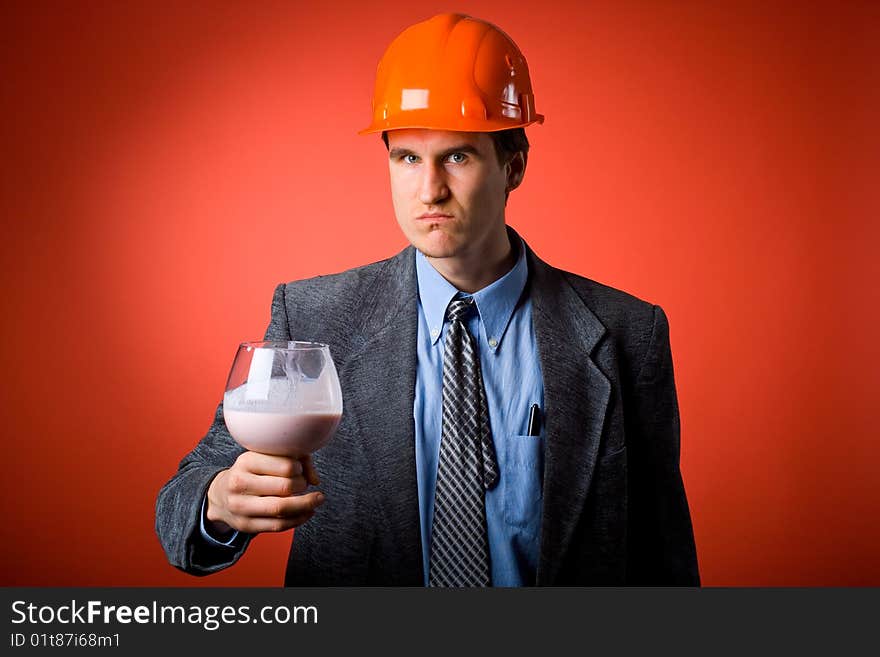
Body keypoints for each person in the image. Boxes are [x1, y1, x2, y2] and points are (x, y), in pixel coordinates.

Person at [155, 13, 700, 586]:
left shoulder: (626, 333)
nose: (429, 189)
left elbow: (663, 551)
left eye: (458, 156)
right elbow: (183, 505)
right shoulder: (317, 319)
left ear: (514, 165)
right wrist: (218, 505)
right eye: (407, 158)